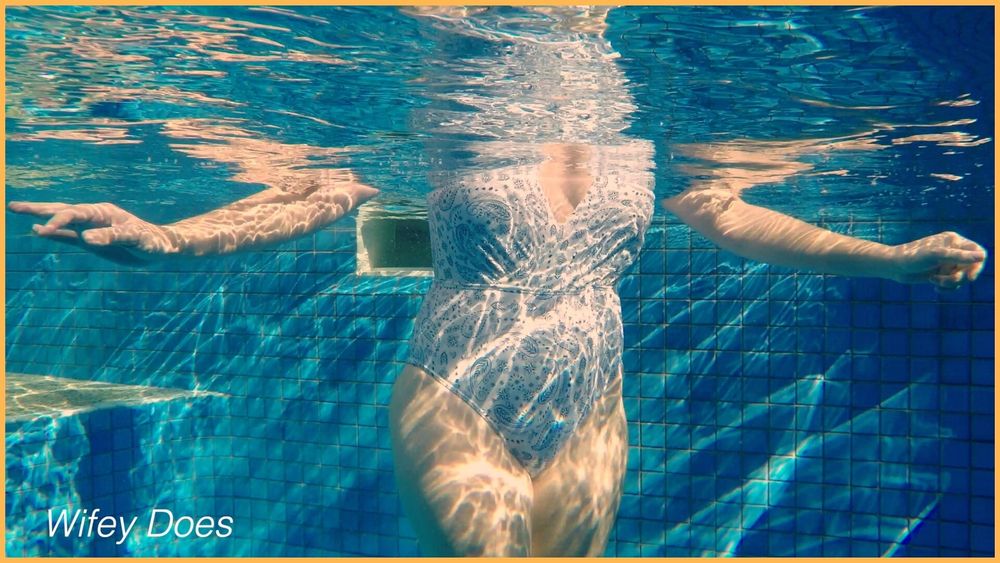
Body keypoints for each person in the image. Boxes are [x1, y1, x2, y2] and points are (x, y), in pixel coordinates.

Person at [8, 7, 987, 557]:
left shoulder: (645, 118)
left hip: (594, 405)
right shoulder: (441, 76)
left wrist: (893, 259)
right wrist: (172, 239)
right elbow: (316, 191)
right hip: (456, 394)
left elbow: (728, 212)